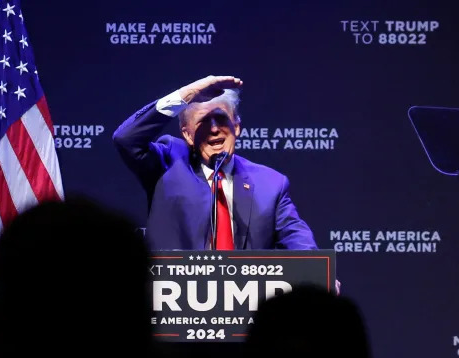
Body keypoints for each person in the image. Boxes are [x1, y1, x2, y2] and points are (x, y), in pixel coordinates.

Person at [112, 75, 318, 252]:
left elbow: (298, 240)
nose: (213, 129)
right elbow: (125, 139)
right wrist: (186, 95)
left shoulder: (271, 184)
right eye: (203, 122)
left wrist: (317, 273)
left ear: (236, 126)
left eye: (220, 118)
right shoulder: (168, 161)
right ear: (187, 135)